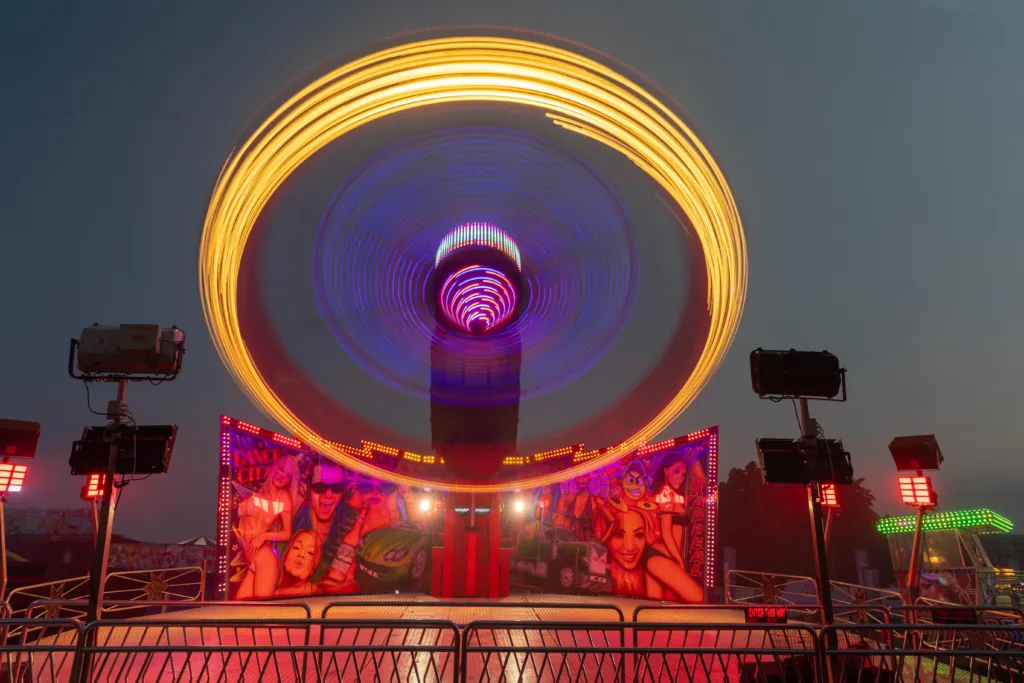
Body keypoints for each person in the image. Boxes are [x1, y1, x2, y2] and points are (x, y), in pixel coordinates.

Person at [234, 455, 300, 599]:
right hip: (251, 556)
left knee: (262, 611)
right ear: (274, 468)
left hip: (264, 557)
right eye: (281, 470)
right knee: (238, 610)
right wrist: (247, 552)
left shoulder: (282, 497)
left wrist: (263, 536)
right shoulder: (257, 495)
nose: (283, 477)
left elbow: (287, 533)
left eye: (288, 476)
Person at [292, 459, 347, 585]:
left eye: (336, 488)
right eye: (320, 487)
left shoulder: (349, 521)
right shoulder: (294, 520)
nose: (328, 495)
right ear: (309, 488)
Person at [274, 530, 322, 597]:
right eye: (297, 547)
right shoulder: (274, 594)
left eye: (310, 552)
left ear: (314, 566)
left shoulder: (319, 595)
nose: (301, 554)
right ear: (285, 556)